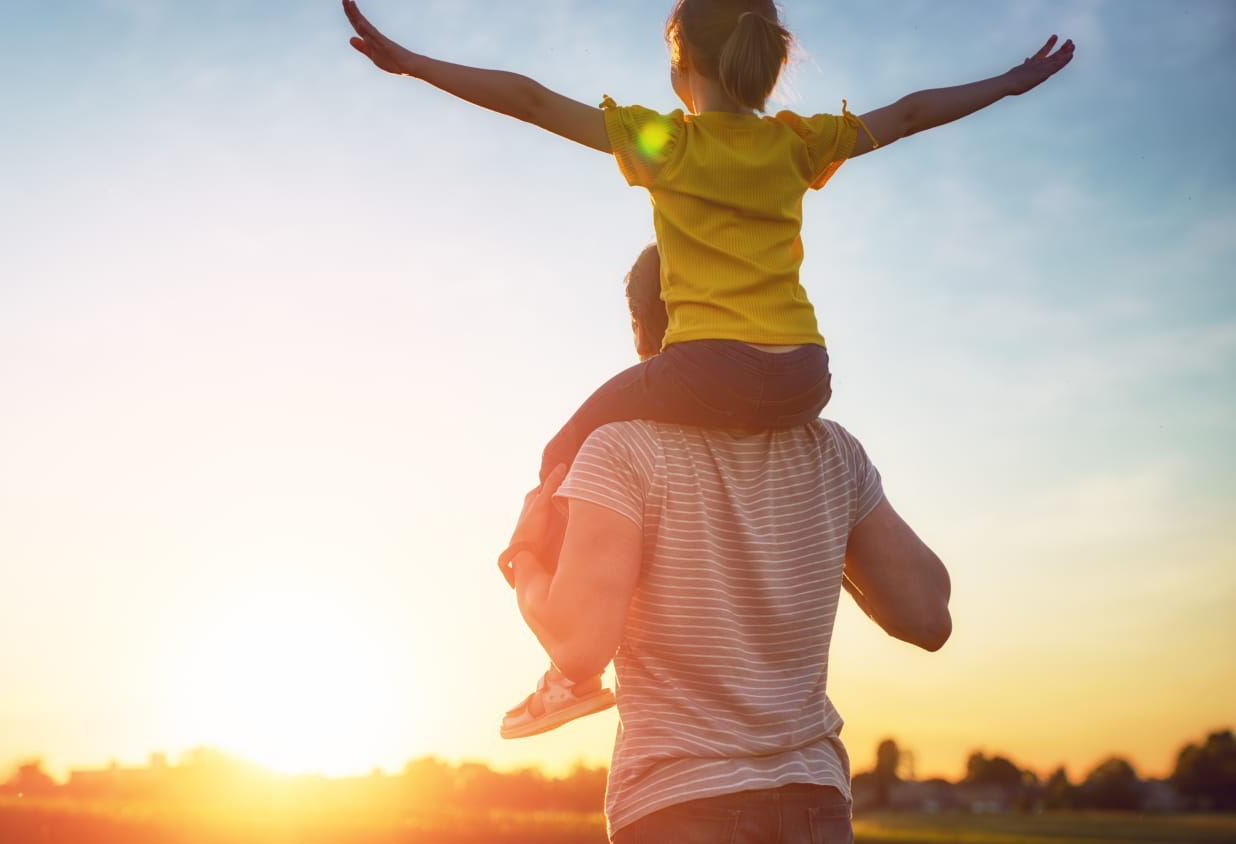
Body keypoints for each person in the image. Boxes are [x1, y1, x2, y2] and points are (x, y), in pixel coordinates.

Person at [343, 0, 1072, 735]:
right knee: (668, 442)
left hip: (706, 370)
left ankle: (573, 674)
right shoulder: (797, 144)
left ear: (679, 61)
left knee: (562, 451)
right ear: (767, 61)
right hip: (802, 378)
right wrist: (1008, 81)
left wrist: (415, 64)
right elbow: (912, 111)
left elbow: (531, 100)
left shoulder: (667, 142)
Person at [501, 243, 952, 842]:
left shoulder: (620, 449)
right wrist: (822, 530)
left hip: (679, 805)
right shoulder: (831, 452)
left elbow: (581, 649)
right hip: (814, 807)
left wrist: (524, 560)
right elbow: (929, 615)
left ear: (641, 327)